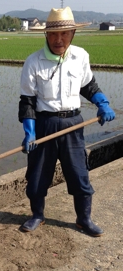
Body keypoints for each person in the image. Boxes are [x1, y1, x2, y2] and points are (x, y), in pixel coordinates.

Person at [18, 7, 115, 237]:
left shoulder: (80, 56)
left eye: (64, 34)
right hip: (45, 125)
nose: (58, 39)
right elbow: (28, 102)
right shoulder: (33, 62)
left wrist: (103, 103)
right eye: (53, 34)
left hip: (73, 124)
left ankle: (84, 219)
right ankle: (37, 215)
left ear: (72, 33)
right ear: (46, 35)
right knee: (38, 175)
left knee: (79, 172)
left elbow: (88, 86)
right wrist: (30, 131)